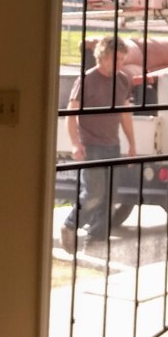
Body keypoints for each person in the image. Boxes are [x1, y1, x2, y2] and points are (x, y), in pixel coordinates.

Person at [62, 35, 136, 253]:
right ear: (102, 57)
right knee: (95, 193)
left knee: (109, 197)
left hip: (112, 145)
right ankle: (70, 224)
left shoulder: (123, 80)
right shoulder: (86, 80)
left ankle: (96, 242)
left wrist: (132, 144)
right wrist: (76, 143)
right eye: (116, 59)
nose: (120, 64)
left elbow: (125, 114)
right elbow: (71, 114)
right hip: (91, 145)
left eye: (123, 59)